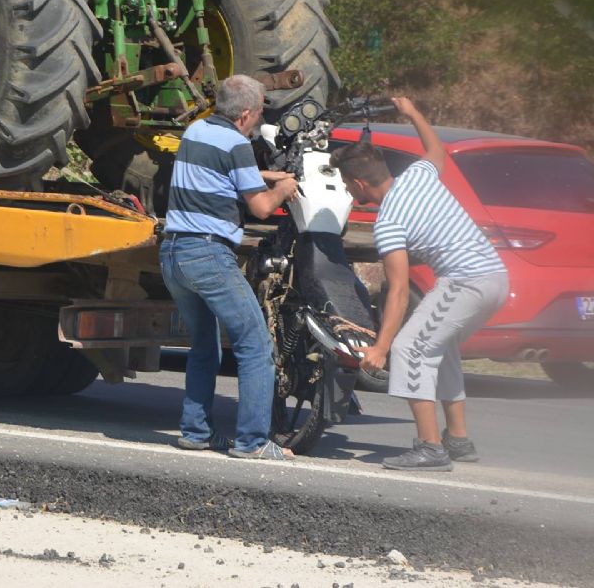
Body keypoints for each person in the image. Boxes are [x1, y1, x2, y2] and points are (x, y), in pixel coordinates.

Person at [330, 97, 508, 471]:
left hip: (466, 281)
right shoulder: (417, 174)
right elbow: (436, 149)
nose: (347, 190)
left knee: (411, 347)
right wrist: (412, 114)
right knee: (438, 345)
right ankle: (457, 440)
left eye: (347, 184)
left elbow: (397, 291)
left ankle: (430, 448)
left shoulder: (390, 221)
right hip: (495, 278)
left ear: (360, 183)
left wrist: (381, 347)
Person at [160, 74, 300, 460]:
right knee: (255, 346)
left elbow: (218, 170)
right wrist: (284, 189)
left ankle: (196, 432)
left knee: (204, 346)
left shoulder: (196, 131)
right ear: (246, 114)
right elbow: (260, 207)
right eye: (256, 116)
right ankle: (253, 442)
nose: (256, 123)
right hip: (208, 254)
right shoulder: (238, 144)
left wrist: (266, 176)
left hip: (173, 253)